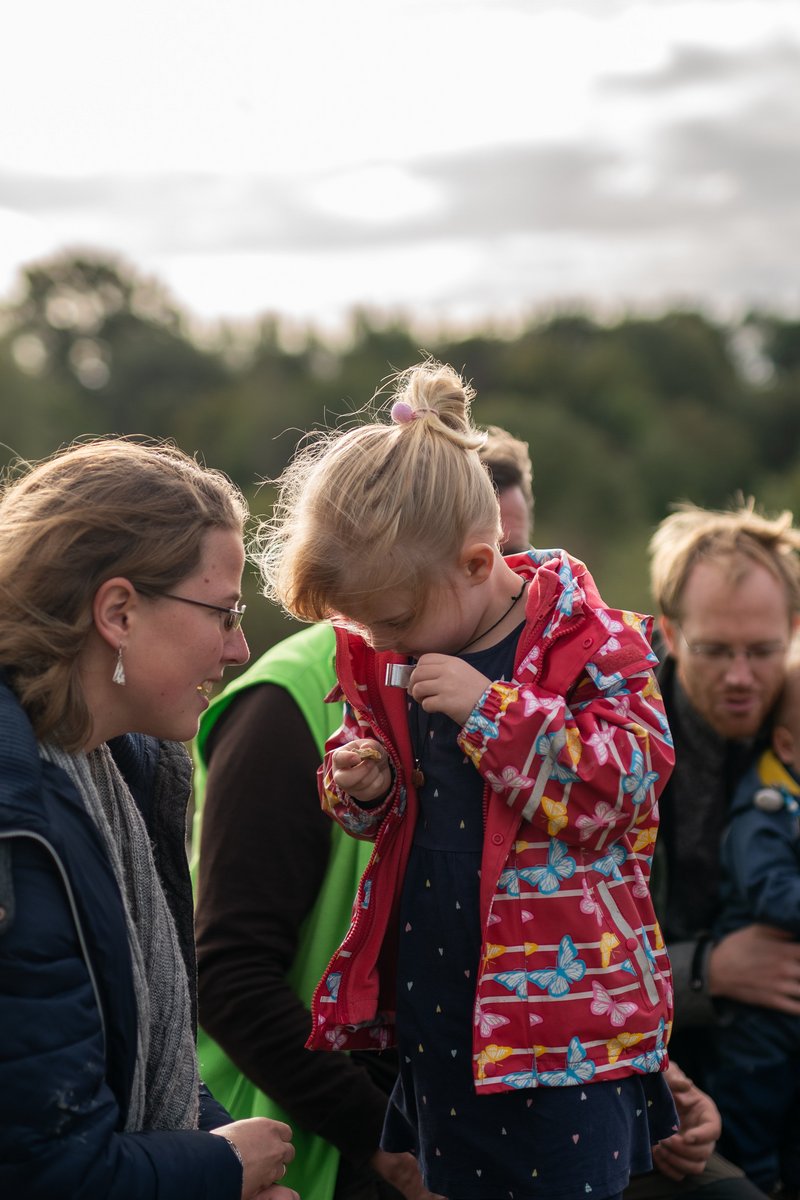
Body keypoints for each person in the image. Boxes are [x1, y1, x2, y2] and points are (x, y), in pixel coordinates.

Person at [256, 359, 677, 1200]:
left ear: (480, 560)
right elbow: (371, 781)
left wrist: (493, 712)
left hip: (569, 1030)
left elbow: (628, 786)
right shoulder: (388, 646)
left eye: (396, 619)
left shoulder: (594, 641)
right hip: (443, 1013)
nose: (383, 641)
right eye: (365, 623)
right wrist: (362, 785)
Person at [192, 429, 536, 1200]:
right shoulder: (287, 704)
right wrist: (387, 1144)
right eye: (494, 559)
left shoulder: (523, 694)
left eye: (521, 555)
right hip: (319, 1147)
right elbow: (231, 975)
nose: (513, 585)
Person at [0, 438, 297, 1200]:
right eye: (223, 613)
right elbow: (45, 1171)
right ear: (119, 612)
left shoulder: (115, 769)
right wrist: (226, 1169)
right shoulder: (17, 824)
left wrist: (216, 1148)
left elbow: (134, 1055)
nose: (240, 647)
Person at [648, 501, 800, 1099]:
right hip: (646, 1076)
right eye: (715, 651)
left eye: (762, 652)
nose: (740, 677)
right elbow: (559, 961)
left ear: (793, 629)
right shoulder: (604, 748)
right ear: (669, 633)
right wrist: (707, 973)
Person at [707, 646, 800, 1194]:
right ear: (787, 746)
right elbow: (770, 892)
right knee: (753, 1107)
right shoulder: (764, 809)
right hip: (754, 1016)